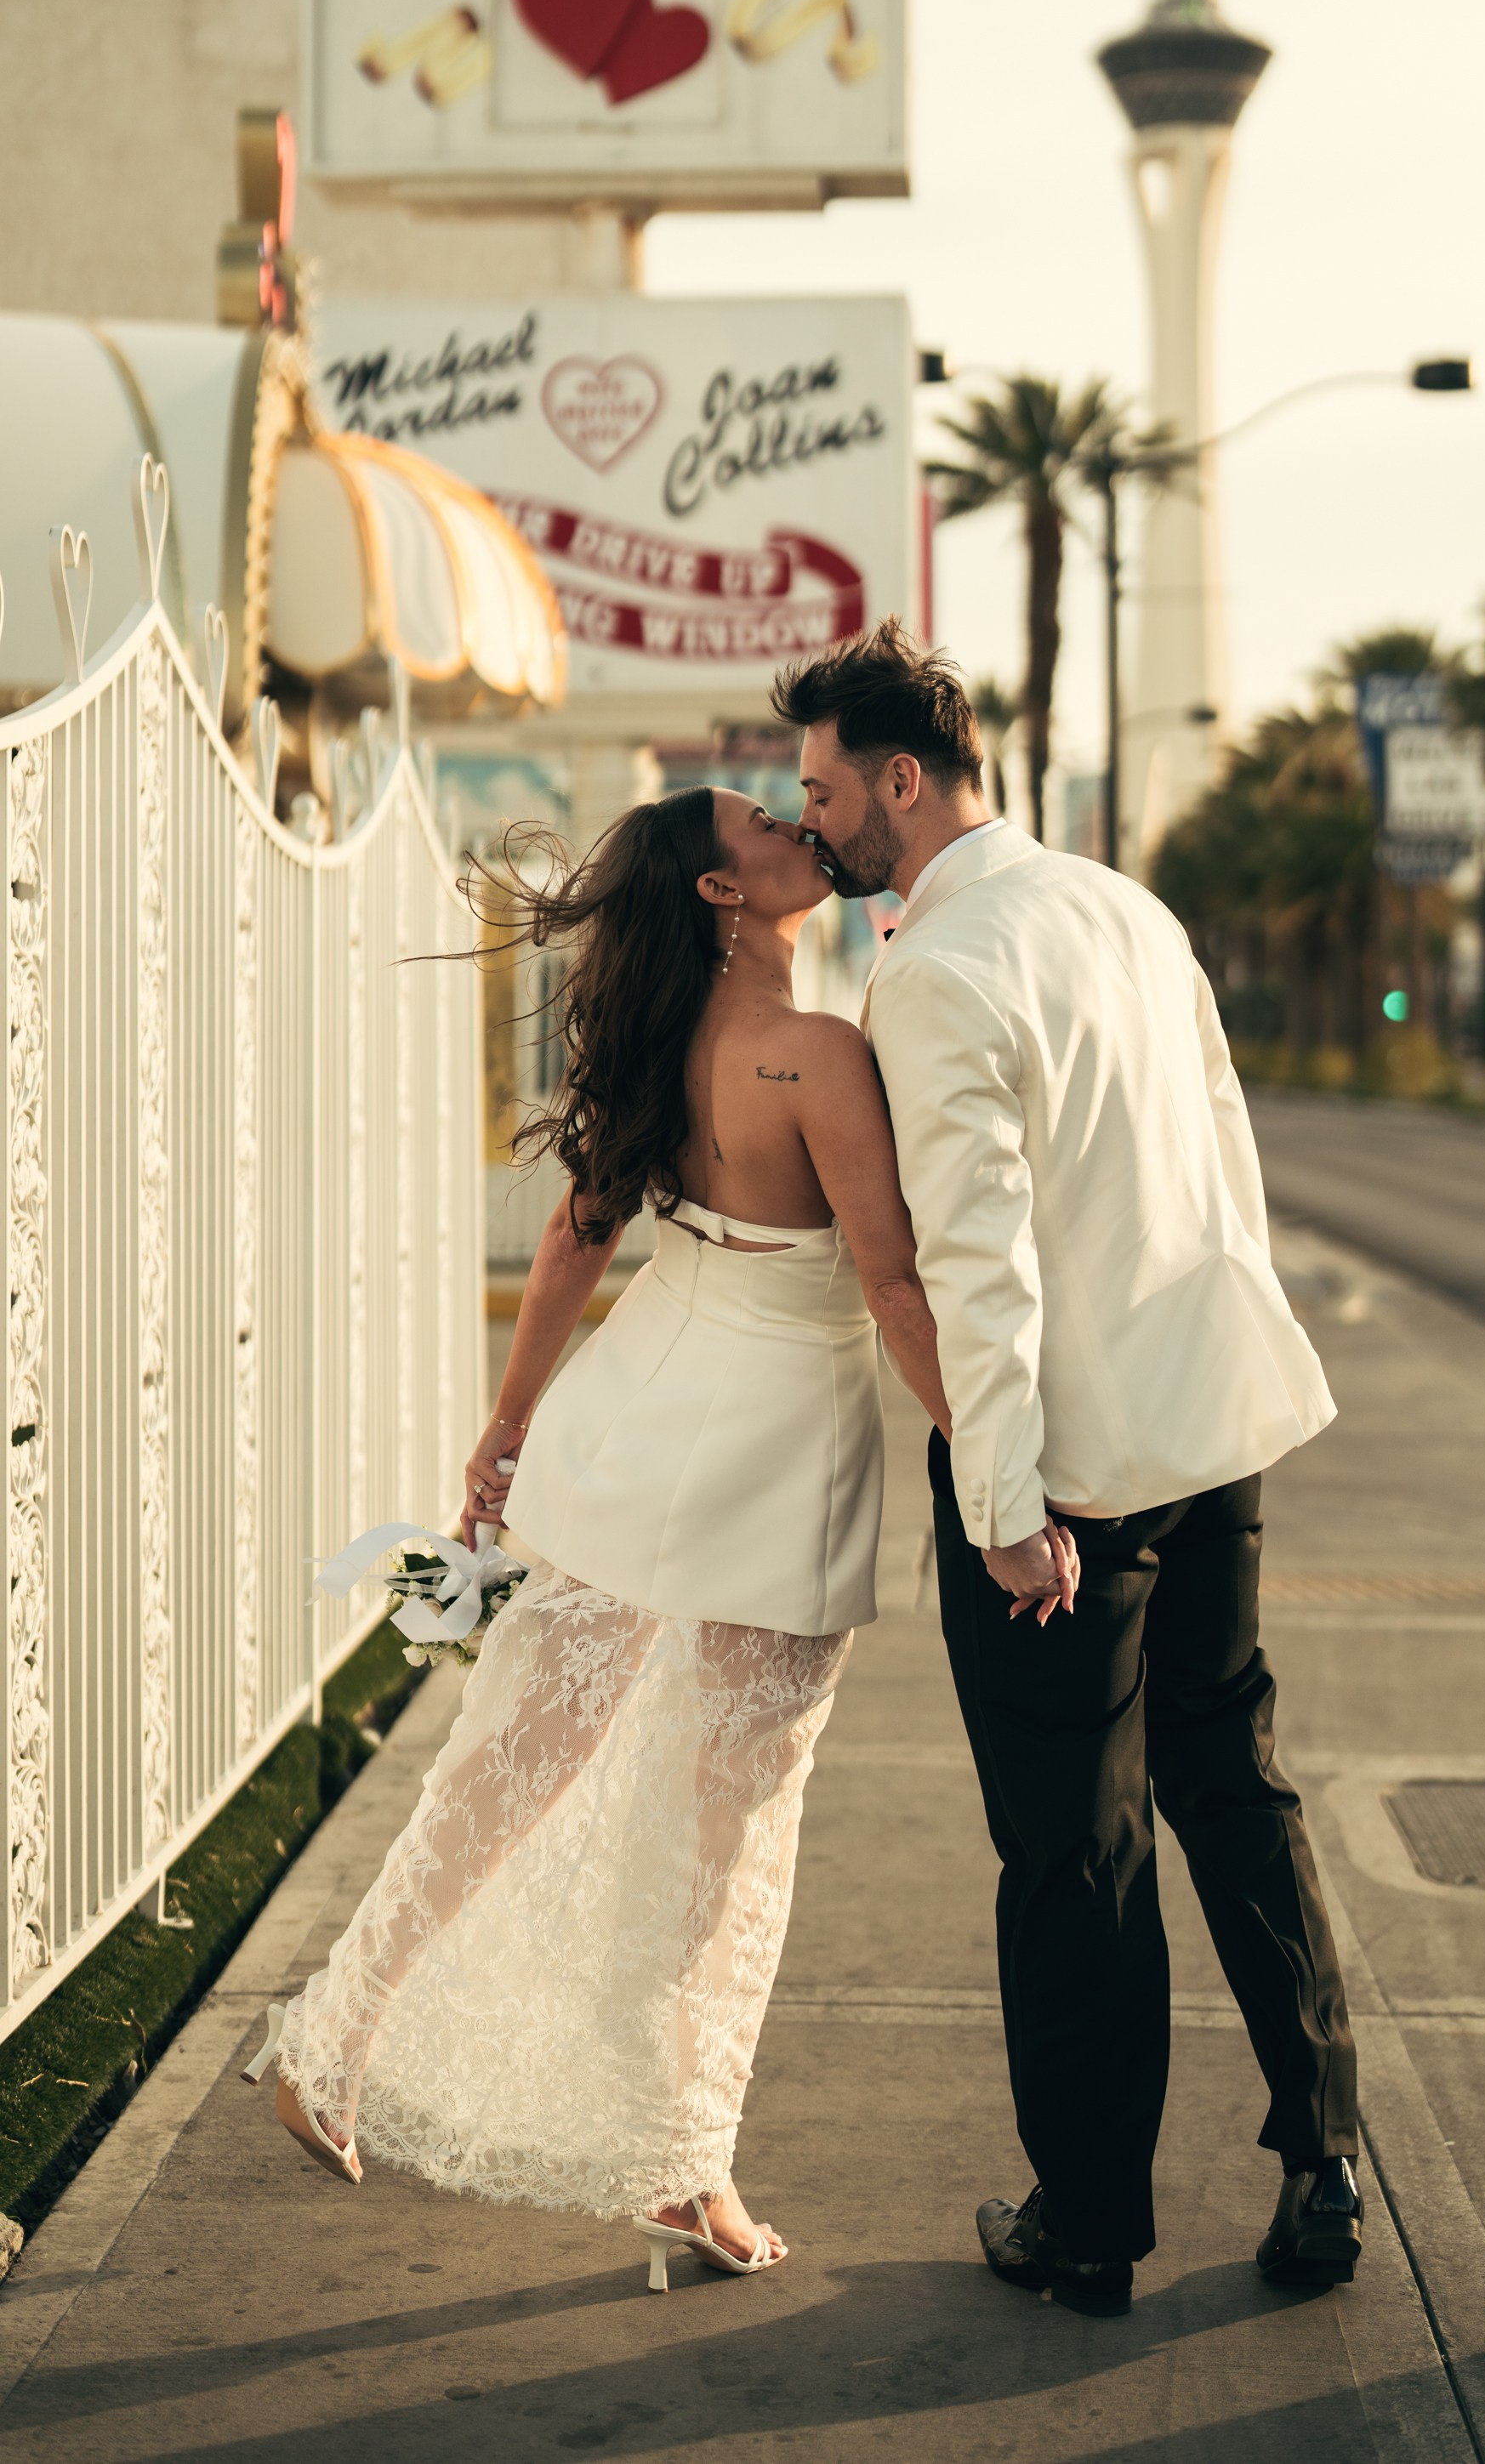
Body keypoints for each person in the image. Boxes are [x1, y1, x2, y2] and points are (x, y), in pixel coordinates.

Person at [244, 786, 956, 2291]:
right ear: (720, 890)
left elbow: (581, 1231)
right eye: (770, 821)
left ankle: (333, 2034)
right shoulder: (817, 1055)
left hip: (629, 1425)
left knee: (511, 1760)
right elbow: (894, 1294)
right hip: (775, 1455)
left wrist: (506, 1425)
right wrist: (1004, 1472)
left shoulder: (658, 1047)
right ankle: (681, 2164)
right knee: (731, 1823)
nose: (798, 828)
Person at [773, 620, 1360, 2319]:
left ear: (899, 780)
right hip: (1212, 1428)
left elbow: (979, 1266)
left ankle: (1088, 2219)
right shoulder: (1123, 908)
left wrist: (1004, 1499)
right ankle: (1319, 2159)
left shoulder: (938, 972)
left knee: (1073, 1850)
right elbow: (1223, 1157)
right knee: (1232, 1786)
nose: (810, 821)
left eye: (822, 790)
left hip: (1073, 1484)